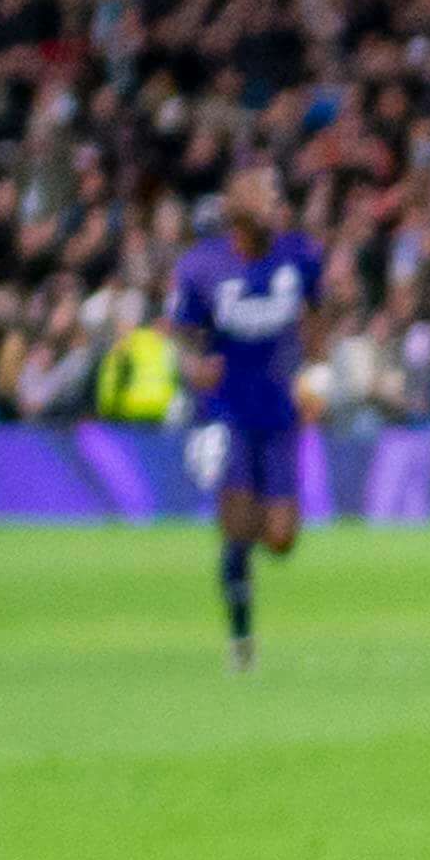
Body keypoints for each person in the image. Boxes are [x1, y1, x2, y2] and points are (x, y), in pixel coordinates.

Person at [169, 165, 321, 673]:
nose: (277, 203)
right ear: (240, 209)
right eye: (266, 195)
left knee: (280, 538)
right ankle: (241, 640)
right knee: (238, 529)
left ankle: (242, 539)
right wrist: (193, 366)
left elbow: (318, 313)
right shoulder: (202, 266)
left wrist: (316, 371)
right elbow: (181, 333)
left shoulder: (299, 255)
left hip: (278, 411)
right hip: (226, 410)